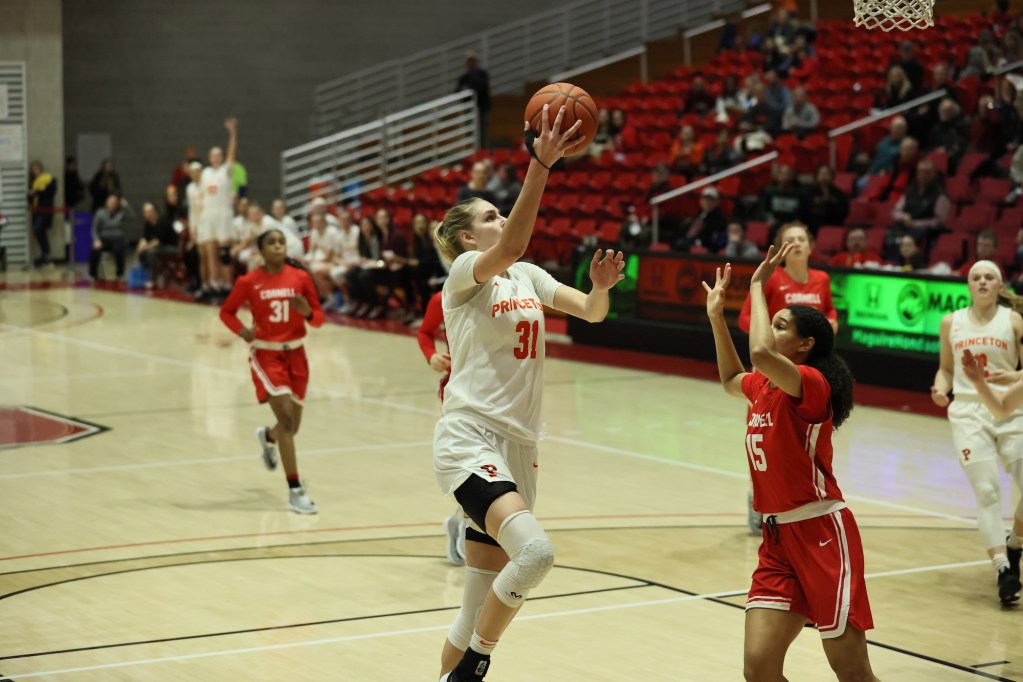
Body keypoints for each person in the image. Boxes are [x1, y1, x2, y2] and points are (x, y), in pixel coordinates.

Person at [432, 106, 624, 682]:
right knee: (535, 555)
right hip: (469, 437)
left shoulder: (529, 276)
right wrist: (539, 166)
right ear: (469, 236)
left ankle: (453, 670)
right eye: (491, 215)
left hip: (519, 446)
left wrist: (599, 289)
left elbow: (590, 314)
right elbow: (510, 246)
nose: (500, 220)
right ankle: (477, 667)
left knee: (471, 609)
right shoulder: (467, 271)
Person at [703, 245, 879, 682]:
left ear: (805, 344)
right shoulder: (763, 386)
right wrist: (716, 320)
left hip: (821, 532)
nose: (771, 326)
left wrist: (759, 286)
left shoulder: (812, 385)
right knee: (760, 669)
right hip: (777, 539)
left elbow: (761, 353)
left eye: (782, 324)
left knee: (852, 671)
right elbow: (730, 378)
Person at [933, 260, 1023, 604]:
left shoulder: (1012, 320)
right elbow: (944, 369)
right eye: (976, 277)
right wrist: (940, 388)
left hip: (1011, 407)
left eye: (990, 277)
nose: (983, 281)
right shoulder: (951, 322)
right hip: (969, 412)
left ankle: (1015, 542)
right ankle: (1003, 569)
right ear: (968, 285)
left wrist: (1012, 378)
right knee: (986, 491)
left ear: (1000, 286)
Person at [219, 228, 324, 514]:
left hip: (297, 354)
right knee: (288, 420)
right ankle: (295, 490)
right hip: (266, 354)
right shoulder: (249, 281)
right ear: (261, 251)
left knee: (292, 428)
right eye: (271, 243)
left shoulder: (300, 278)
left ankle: (268, 437)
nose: (278, 246)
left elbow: (318, 320)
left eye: (281, 242)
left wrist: (307, 313)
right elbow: (226, 311)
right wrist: (242, 331)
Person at [418, 288, 466, 566]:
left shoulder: (506, 293)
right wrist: (431, 355)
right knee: (470, 463)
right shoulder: (443, 297)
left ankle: (460, 520)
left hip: (499, 389)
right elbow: (425, 332)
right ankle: (467, 522)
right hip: (457, 386)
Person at [198, 117, 239, 299]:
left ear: (221, 157)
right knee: (210, 252)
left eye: (218, 155)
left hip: (223, 214)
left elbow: (232, 152)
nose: (216, 158)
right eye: (212, 155)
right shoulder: (205, 173)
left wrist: (232, 132)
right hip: (208, 215)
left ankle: (227, 284)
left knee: (224, 253)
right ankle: (214, 284)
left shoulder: (226, 170)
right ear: (209, 158)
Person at [136, 201, 180, 289]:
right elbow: (144, 237)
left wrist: (145, 247)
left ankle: (154, 280)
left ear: (154, 211)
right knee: (142, 253)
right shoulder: (148, 223)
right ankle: (147, 276)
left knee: (151, 252)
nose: (146, 214)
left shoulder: (162, 221)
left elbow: (158, 241)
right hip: (160, 247)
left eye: (148, 211)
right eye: (145, 212)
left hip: (172, 247)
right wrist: (139, 248)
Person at [89, 195, 134, 281]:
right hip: (104, 239)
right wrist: (96, 240)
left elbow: (132, 216)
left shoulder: (121, 212)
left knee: (119, 249)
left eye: (114, 203)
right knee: (95, 250)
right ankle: (92, 274)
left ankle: (120, 274)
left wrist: (126, 206)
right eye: (110, 203)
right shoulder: (100, 213)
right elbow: (94, 229)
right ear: (106, 203)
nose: (112, 205)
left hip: (118, 239)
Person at [456, 51, 491, 149]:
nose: (471, 63)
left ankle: (483, 152)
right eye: (469, 61)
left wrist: (468, 87)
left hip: (481, 107)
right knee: (469, 132)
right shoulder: (463, 77)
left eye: (472, 60)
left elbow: (481, 87)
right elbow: (457, 91)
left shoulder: (482, 74)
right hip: (468, 109)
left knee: (482, 132)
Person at [27, 161, 57, 267]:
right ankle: (45, 254)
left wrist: (36, 192)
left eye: (37, 168)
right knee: (40, 232)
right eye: (33, 169)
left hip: (46, 209)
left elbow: (50, 193)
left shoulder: (49, 178)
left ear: (41, 168)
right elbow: (30, 198)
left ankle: (47, 254)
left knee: (38, 229)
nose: (35, 171)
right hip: (37, 210)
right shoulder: (33, 182)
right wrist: (31, 194)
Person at [804, 166, 849, 234]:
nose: (824, 177)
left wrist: (829, 201)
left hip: (833, 228)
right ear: (816, 176)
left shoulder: (840, 195)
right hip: (812, 228)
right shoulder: (809, 193)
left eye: (826, 174)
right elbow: (804, 211)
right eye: (821, 174)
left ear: (832, 177)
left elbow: (844, 213)